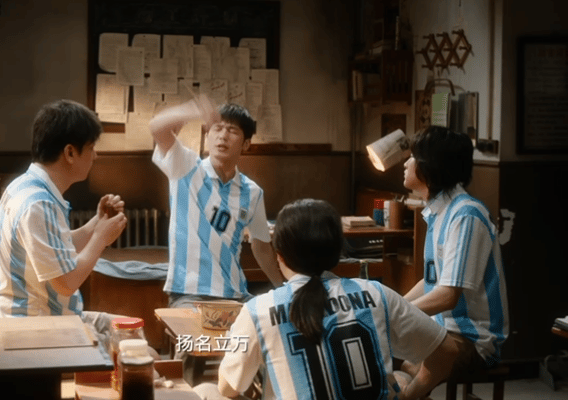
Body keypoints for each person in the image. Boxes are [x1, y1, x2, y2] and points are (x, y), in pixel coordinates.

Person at [197, 198, 457, 400]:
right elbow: (447, 350)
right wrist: (410, 395)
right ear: (338, 251)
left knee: (205, 390)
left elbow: (229, 387)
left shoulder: (258, 310)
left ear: (280, 255)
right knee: (400, 378)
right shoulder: (377, 293)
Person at [0, 99, 128, 346]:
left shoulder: (25, 186)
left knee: (131, 329)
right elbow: (66, 283)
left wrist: (96, 223)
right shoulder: (37, 204)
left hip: (42, 318)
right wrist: (100, 239)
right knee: (138, 349)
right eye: (91, 147)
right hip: (33, 329)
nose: (95, 155)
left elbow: (55, 248)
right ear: (70, 153)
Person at [149, 96, 284, 308]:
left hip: (236, 294)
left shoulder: (253, 192)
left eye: (232, 130)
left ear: (246, 143)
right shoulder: (186, 168)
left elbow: (261, 247)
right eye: (217, 128)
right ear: (207, 136)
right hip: (189, 294)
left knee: (271, 322)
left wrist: (282, 287)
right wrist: (194, 109)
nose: (223, 135)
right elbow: (157, 127)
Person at [401, 125, 509, 379]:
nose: (406, 163)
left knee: (407, 365)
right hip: (442, 328)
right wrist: (390, 305)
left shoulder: (465, 215)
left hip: (474, 339)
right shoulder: (439, 211)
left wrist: (397, 315)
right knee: (378, 350)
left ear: (431, 166)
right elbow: (432, 282)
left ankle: (406, 392)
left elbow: (447, 296)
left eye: (413, 157)